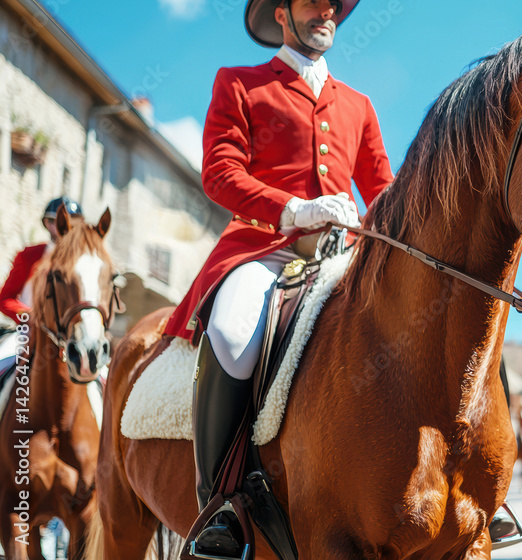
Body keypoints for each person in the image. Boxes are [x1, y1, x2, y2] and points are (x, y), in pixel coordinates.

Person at [162, 1, 394, 555]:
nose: (327, 10)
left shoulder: (359, 104)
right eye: (312, 1)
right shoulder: (240, 84)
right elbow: (220, 173)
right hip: (266, 248)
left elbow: (383, 189)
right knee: (232, 335)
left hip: (347, 254)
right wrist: (293, 209)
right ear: (282, 15)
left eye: (333, 3)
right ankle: (220, 506)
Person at [0, 198, 84, 372]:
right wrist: (29, 316)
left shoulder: (85, 262)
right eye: (57, 221)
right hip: (28, 332)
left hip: (72, 337)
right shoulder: (30, 256)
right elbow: (5, 298)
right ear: (47, 223)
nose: (65, 227)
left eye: (73, 223)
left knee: (103, 378)